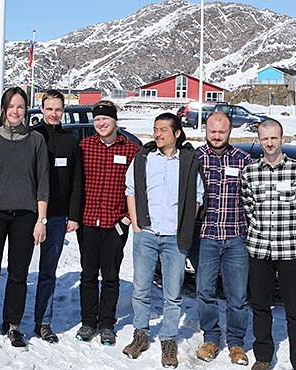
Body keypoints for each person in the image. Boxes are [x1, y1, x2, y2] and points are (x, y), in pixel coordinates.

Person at [0, 87, 49, 348]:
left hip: (25, 216)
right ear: (3, 109)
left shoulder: (36, 140)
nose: (16, 111)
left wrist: (41, 219)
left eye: (21, 107)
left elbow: (43, 183)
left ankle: (13, 324)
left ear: (26, 110)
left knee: (18, 273)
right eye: (11, 106)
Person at [123, 112, 203, 368]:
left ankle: (168, 339)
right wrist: (136, 224)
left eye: (163, 130)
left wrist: (186, 225)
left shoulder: (189, 161)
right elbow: (131, 190)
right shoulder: (143, 158)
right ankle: (140, 334)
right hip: (146, 233)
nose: (157, 134)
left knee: (173, 294)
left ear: (177, 133)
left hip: (174, 238)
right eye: (155, 129)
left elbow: (198, 197)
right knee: (141, 289)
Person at [241, 119, 296, 370]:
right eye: (264, 138)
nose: (269, 143)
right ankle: (263, 356)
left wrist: (292, 229)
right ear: (259, 140)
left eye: (274, 138)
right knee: (260, 306)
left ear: (282, 139)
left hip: (291, 250)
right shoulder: (250, 172)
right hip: (260, 249)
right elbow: (248, 208)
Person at [74, 100, 139, 346]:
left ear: (115, 121)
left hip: (115, 224)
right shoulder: (84, 147)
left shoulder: (131, 150)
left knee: (110, 276)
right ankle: (89, 321)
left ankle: (107, 324)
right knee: (89, 274)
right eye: (97, 119)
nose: (101, 123)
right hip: (89, 220)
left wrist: (126, 218)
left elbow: (138, 190)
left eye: (106, 119)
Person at [192, 111, 254, 365]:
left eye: (222, 132)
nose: (217, 136)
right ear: (206, 130)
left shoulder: (244, 159)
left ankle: (237, 342)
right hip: (204, 236)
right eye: (212, 131)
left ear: (230, 132)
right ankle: (211, 337)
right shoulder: (194, 158)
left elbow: (254, 197)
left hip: (235, 237)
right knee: (204, 291)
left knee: (237, 295)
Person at [29, 90, 83, 344]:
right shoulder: (32, 136)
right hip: (28, 215)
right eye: (49, 109)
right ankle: (12, 318)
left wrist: (73, 215)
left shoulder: (70, 141)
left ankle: (44, 321)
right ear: (41, 109)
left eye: (58, 109)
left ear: (63, 110)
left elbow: (76, 182)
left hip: (58, 215)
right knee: (19, 272)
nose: (53, 114)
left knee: (48, 272)